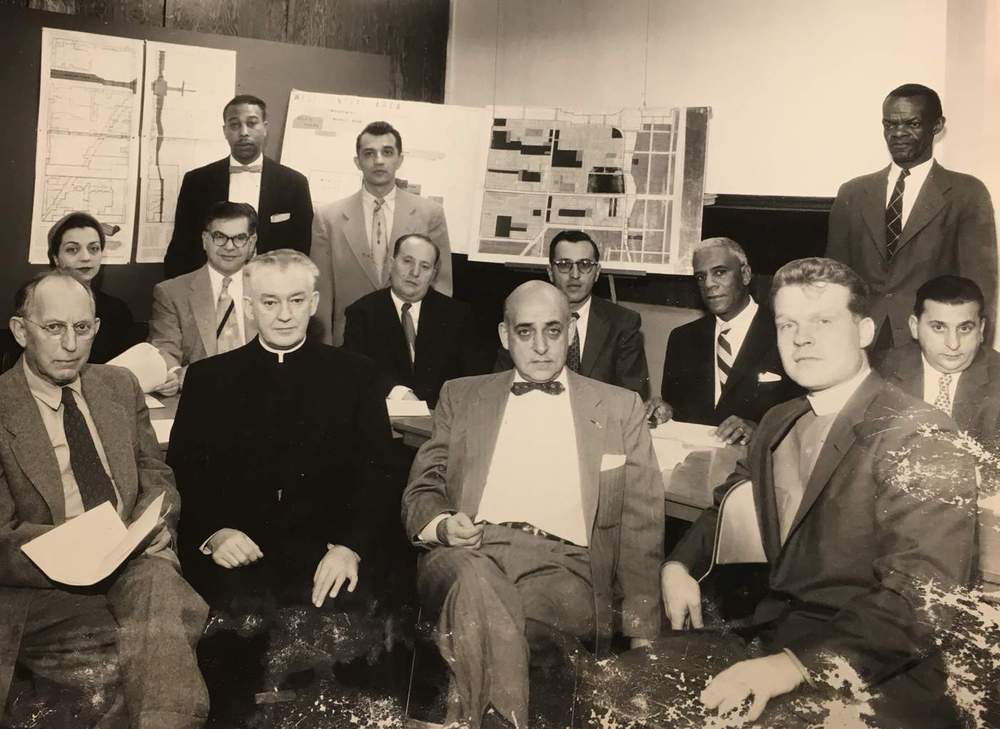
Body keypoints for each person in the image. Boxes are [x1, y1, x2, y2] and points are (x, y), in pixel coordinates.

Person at [659, 258, 976, 727]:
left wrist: (789, 667)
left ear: (865, 331)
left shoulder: (921, 434)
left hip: (878, 672)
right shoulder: (778, 421)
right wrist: (679, 564)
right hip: (774, 638)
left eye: (822, 321)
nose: (801, 338)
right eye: (787, 324)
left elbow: (920, 600)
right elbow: (730, 500)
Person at [402, 281, 663, 729]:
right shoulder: (462, 395)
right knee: (476, 582)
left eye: (553, 331)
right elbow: (422, 488)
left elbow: (641, 528)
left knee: (487, 612)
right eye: (526, 332)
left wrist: (642, 637)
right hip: (467, 551)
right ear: (505, 336)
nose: (541, 347)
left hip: (563, 567)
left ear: (570, 331)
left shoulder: (620, 408)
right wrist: (444, 525)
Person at [0, 270, 208, 728]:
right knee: (151, 640)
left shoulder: (118, 386)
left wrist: (159, 524)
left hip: (133, 564)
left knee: (155, 585)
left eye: (83, 328)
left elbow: (157, 474)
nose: (71, 344)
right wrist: (76, 548)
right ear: (20, 331)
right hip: (44, 588)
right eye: (54, 328)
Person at [168, 248, 394, 614]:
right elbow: (183, 471)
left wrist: (349, 547)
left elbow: (379, 474)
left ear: (313, 303)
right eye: (270, 302)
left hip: (328, 551)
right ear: (249, 306)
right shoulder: (209, 379)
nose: (285, 315)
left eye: (296, 300)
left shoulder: (357, 375)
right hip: (238, 549)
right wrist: (216, 534)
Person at [826, 83, 997, 349]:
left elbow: (980, 287)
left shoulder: (966, 193)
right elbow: (834, 279)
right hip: (860, 343)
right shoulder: (853, 192)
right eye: (890, 125)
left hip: (932, 344)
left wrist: (976, 356)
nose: (898, 133)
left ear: (937, 126)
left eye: (912, 124)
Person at [311, 121, 453, 346]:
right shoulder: (328, 217)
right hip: (350, 340)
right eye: (369, 153)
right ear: (357, 162)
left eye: (387, 152)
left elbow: (442, 286)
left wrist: (436, 344)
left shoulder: (430, 213)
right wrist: (323, 350)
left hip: (411, 339)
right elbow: (321, 294)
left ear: (400, 159)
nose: (378, 160)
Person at [647, 237, 800, 444]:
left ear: (745, 274)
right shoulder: (682, 339)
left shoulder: (785, 332)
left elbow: (803, 417)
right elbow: (678, 409)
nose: (709, 284)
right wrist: (665, 411)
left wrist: (758, 430)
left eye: (720, 272)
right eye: (701, 277)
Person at [163, 94, 313, 279]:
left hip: (271, 290)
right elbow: (182, 247)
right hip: (212, 289)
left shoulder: (295, 183)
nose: (243, 132)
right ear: (225, 131)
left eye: (252, 123)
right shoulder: (197, 181)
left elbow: (301, 253)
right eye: (234, 125)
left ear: (265, 128)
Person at [496, 229, 650, 398]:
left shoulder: (623, 323)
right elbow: (501, 386)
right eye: (564, 264)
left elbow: (632, 397)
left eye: (584, 265)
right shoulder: (522, 316)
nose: (574, 275)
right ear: (550, 271)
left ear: (597, 272)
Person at [343, 233, 488, 408]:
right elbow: (357, 369)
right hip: (384, 415)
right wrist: (400, 393)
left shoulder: (458, 315)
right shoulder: (362, 312)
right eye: (407, 261)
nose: (415, 272)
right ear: (391, 264)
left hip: (441, 416)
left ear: (433, 275)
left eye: (425, 266)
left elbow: (472, 376)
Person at [148, 201, 258, 396]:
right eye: (220, 237)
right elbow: (164, 346)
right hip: (201, 395)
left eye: (239, 238)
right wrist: (174, 375)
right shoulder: (171, 292)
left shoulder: (269, 289)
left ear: (252, 242)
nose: (229, 247)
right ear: (205, 240)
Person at [878, 274, 1000, 439]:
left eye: (965, 329)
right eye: (938, 327)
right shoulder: (880, 371)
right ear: (915, 327)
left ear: (981, 329)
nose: (953, 344)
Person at [47, 211, 134, 364]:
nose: (86, 257)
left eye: (93, 249)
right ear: (56, 258)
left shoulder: (117, 310)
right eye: (73, 249)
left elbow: (128, 370)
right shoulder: (39, 304)